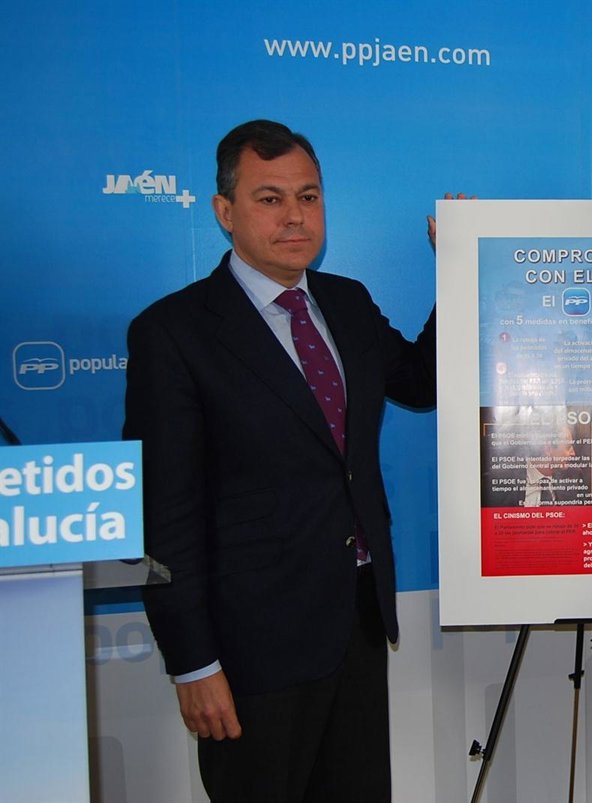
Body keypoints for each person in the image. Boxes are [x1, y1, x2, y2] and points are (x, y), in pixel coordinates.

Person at [124, 119, 438, 802]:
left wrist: (464, 267)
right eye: (269, 198)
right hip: (250, 650)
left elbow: (421, 381)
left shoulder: (347, 302)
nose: (295, 216)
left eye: (308, 196)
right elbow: (163, 515)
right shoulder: (173, 333)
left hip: (355, 623)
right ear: (224, 211)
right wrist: (192, 664)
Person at [482, 421, 586, 507]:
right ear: (548, 449)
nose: (573, 453)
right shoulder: (500, 479)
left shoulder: (573, 476)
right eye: (568, 447)